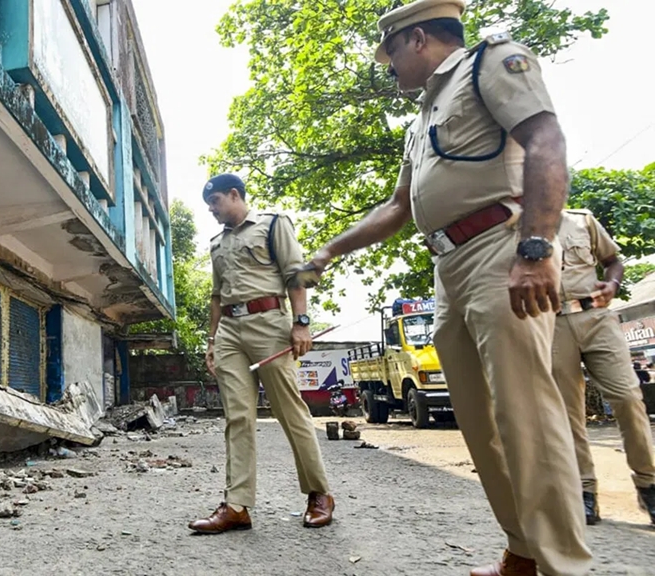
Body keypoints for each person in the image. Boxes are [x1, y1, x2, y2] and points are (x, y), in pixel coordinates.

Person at [296, 0, 590, 574]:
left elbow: (545, 140)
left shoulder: (489, 64)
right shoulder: (421, 119)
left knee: (526, 416)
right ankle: (523, 551)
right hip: (449, 268)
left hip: (501, 246)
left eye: (391, 54)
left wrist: (535, 247)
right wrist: (330, 250)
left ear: (418, 38)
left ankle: (564, 566)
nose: (389, 69)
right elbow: (397, 207)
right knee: (478, 423)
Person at [189, 173, 334, 534]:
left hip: (269, 323)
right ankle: (237, 505)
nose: (211, 210)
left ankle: (319, 494)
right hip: (229, 331)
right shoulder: (217, 244)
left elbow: (296, 276)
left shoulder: (272, 225)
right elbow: (216, 296)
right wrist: (211, 341)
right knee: (237, 416)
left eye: (215, 202)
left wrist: (301, 323)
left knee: (289, 409)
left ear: (234, 195)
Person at [553, 209, 655, 525]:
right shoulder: (513, 230)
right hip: (550, 324)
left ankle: (648, 483)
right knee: (568, 412)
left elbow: (613, 261)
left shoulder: (581, 220)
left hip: (596, 317)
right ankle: (584, 490)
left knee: (628, 397)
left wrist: (612, 284)